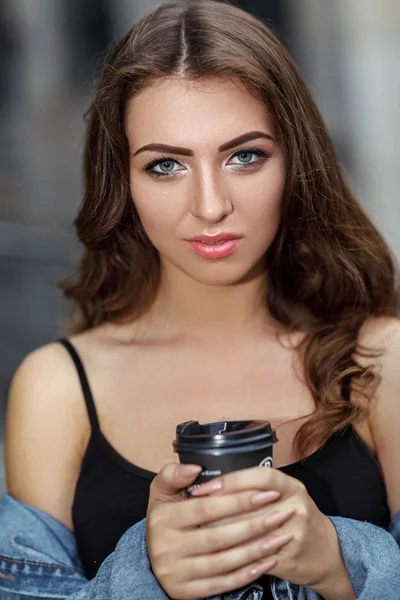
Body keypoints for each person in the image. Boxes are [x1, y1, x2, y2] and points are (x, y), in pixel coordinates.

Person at [1, 1, 400, 599]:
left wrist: (340, 566)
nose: (210, 206)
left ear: (296, 162)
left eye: (245, 155)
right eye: (165, 165)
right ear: (122, 182)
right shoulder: (58, 388)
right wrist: (145, 575)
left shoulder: (381, 362)